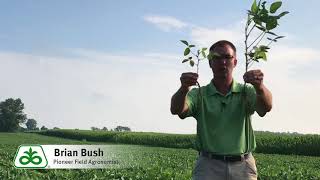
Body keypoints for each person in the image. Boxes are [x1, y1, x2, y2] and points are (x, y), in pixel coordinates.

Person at [170, 40, 272, 180]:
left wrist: (260, 87)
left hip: (242, 166)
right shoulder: (199, 93)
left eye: (227, 57)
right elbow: (177, 110)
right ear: (210, 63)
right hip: (208, 166)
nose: (222, 62)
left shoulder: (246, 91)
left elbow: (265, 108)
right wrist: (183, 89)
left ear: (235, 62)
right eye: (216, 58)